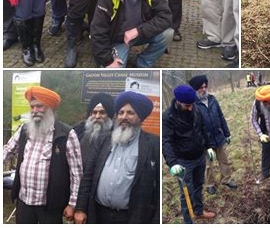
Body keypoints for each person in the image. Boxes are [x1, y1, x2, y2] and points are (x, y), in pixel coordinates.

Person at [74, 91, 159, 224]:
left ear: (141, 117)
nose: (124, 117)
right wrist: (80, 208)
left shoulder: (153, 144)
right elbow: (88, 176)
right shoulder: (104, 140)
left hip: (132, 218)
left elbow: (157, 188)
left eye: (130, 113)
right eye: (121, 112)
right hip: (98, 214)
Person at [3, 86, 83, 223]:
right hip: (24, 201)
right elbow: (7, 150)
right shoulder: (24, 129)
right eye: (32, 107)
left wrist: (72, 204)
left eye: (39, 106)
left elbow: (76, 173)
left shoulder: (66, 134)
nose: (34, 111)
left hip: (50, 206)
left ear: (50, 108)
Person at [162, 85, 217, 223]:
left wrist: (209, 146)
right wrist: (172, 163)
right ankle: (188, 221)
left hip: (199, 156)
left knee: (199, 185)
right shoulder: (168, 117)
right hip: (183, 162)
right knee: (186, 192)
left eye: (192, 104)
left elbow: (203, 129)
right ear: (178, 101)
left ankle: (198, 211)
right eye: (187, 105)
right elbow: (166, 141)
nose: (190, 108)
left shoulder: (195, 109)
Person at [189, 74, 238, 195]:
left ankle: (226, 180)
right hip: (205, 142)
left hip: (219, 137)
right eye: (200, 87)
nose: (204, 89)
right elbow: (194, 127)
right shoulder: (193, 105)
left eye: (205, 86)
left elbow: (221, 117)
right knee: (208, 165)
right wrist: (203, 144)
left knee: (224, 160)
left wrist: (227, 134)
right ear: (195, 89)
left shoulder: (212, 99)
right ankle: (210, 184)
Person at [73, 92, 115, 164]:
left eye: (102, 112)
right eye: (94, 112)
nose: (97, 116)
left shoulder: (116, 135)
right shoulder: (77, 132)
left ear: (109, 115)